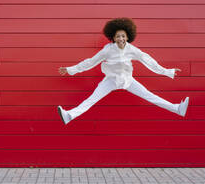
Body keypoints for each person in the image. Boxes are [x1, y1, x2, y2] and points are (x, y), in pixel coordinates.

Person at [57, 17, 189, 125]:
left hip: (128, 80)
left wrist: (167, 71)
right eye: (118, 36)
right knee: (91, 99)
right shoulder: (107, 50)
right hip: (111, 81)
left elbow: (149, 61)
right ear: (113, 38)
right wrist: (70, 70)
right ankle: (69, 115)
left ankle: (177, 109)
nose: (121, 39)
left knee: (151, 96)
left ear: (127, 37)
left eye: (123, 36)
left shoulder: (132, 49)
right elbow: (90, 62)